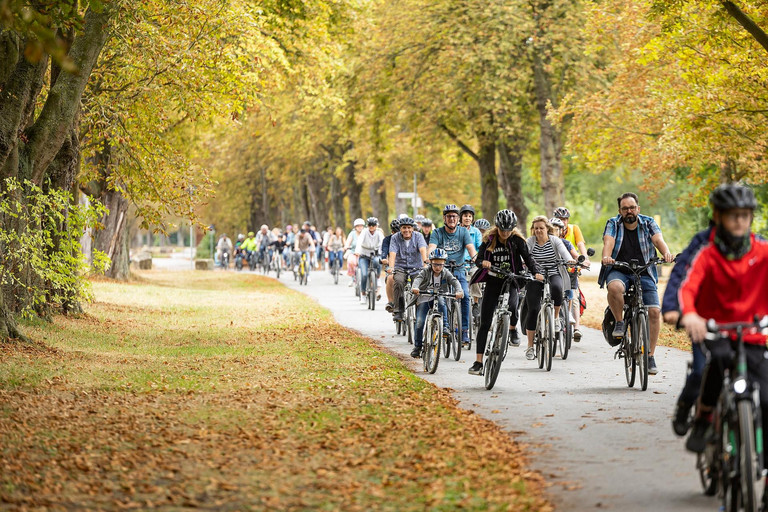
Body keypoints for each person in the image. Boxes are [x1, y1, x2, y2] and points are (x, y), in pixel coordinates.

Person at [678, 184, 768, 481]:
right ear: (718, 216)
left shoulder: (762, 251)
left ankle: (765, 471)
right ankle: (704, 418)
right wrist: (690, 314)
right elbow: (689, 286)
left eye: (745, 215)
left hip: (755, 334)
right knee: (717, 363)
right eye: (733, 216)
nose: (740, 221)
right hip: (718, 331)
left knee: (766, 398)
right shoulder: (708, 254)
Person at [600, 192, 674, 375]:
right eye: (625, 209)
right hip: (619, 269)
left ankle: (650, 356)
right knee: (615, 287)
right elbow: (608, 241)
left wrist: (666, 253)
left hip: (644, 270)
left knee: (654, 312)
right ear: (620, 211)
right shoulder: (613, 223)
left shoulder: (648, 222)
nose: (629, 211)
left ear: (638, 209)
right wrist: (606, 257)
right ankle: (619, 322)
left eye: (632, 207)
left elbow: (658, 239)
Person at [469, 209, 541, 375]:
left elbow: (529, 259)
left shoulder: (517, 241)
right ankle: (478, 362)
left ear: (513, 228)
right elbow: (479, 259)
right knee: (485, 321)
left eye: (508, 230)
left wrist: (536, 272)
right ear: (497, 227)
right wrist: (484, 262)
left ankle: (512, 328)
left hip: (512, 279)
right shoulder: (489, 239)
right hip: (494, 279)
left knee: (513, 305)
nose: (505, 233)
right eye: (502, 230)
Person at [523, 216, 574, 360]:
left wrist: (570, 260)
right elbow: (524, 256)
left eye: (541, 228)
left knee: (558, 288)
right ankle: (530, 346)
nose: (538, 231)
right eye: (536, 228)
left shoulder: (555, 240)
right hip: (535, 275)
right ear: (533, 229)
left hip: (553, 272)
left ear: (547, 229)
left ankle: (556, 318)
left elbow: (564, 253)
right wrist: (523, 265)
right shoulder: (530, 241)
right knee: (533, 308)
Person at [428, 204, 477, 348]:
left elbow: (470, 248)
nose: (452, 219)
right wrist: (429, 258)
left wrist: (476, 259)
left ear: (458, 218)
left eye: (454, 216)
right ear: (444, 218)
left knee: (465, 296)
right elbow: (432, 247)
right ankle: (445, 327)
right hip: (442, 271)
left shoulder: (463, 232)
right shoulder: (437, 232)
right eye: (449, 216)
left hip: (459, 270)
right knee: (441, 298)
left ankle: (465, 331)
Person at [410, 248, 464, 359]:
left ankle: (445, 327)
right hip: (424, 298)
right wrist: (415, 287)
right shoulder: (425, 271)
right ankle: (417, 346)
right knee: (419, 322)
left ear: (444, 263)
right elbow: (418, 279)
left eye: (440, 265)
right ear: (430, 262)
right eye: (435, 264)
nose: (438, 267)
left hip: (439, 296)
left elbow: (454, 281)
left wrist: (459, 290)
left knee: (441, 301)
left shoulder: (445, 273)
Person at [553, 207, 591, 341]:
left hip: (571, 268)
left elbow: (580, 245)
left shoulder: (574, 229)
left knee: (574, 298)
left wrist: (584, 258)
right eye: (560, 219)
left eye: (564, 219)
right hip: (554, 270)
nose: (562, 221)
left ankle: (576, 328)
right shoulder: (551, 229)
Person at [387, 217, 428, 321]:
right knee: (399, 282)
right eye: (404, 228)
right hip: (400, 267)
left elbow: (423, 250)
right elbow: (392, 253)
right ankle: (398, 310)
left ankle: (420, 309)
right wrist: (391, 267)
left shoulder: (418, 236)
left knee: (419, 285)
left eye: (409, 227)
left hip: (416, 267)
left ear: (413, 228)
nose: (406, 230)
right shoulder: (395, 238)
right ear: (400, 229)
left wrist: (425, 264)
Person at [355, 217, 384, 304]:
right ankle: (363, 293)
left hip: (375, 254)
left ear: (376, 226)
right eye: (369, 225)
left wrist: (385, 253)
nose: (371, 227)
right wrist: (357, 251)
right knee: (364, 275)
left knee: (378, 261)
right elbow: (359, 241)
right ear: (367, 226)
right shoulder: (364, 232)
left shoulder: (379, 233)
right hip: (364, 255)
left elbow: (383, 243)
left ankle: (377, 277)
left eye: (373, 225)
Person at [382, 219, 400, 312]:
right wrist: (384, 258)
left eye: (397, 231)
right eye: (394, 231)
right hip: (392, 264)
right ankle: (391, 302)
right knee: (389, 278)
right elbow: (384, 250)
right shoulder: (387, 239)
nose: (395, 234)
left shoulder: (405, 239)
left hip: (405, 266)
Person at [344, 218, 365, 287]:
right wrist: (346, 246)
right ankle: (353, 278)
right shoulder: (352, 234)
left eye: (361, 226)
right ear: (355, 227)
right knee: (351, 261)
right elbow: (348, 241)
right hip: (354, 252)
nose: (360, 227)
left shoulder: (365, 233)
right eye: (358, 226)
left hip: (364, 253)